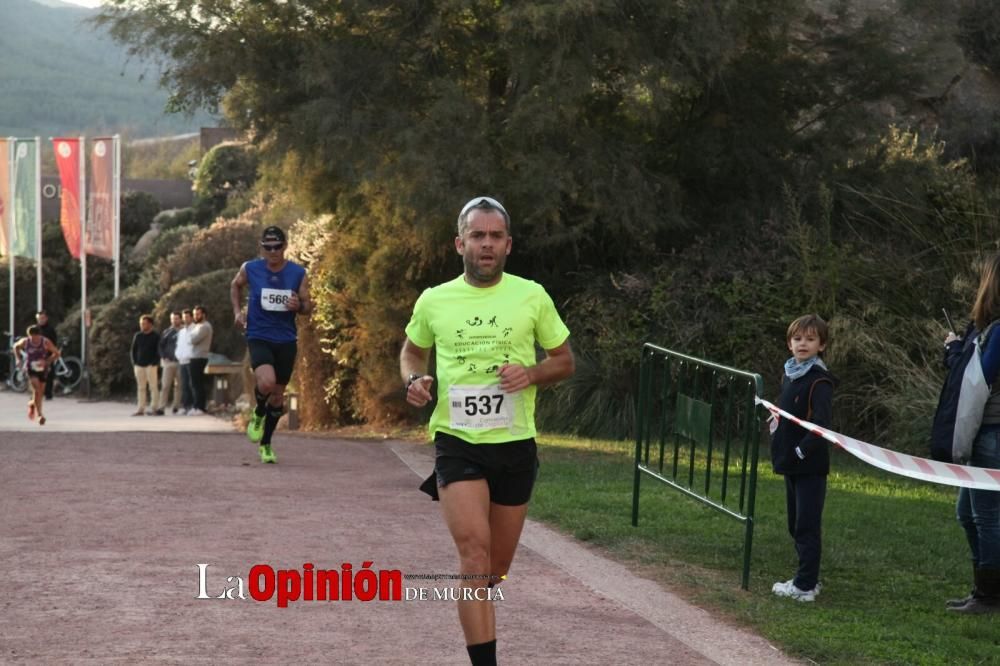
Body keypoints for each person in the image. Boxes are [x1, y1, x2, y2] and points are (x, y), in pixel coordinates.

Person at [399, 196, 574, 666]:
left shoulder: (531, 295)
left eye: (496, 236)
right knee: (474, 558)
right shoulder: (435, 299)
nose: (487, 244)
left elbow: (564, 361)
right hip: (458, 442)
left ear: (509, 245)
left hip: (515, 443)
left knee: (495, 571)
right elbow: (411, 353)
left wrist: (531, 374)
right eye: (478, 235)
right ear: (460, 243)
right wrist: (414, 381)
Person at [942, 253, 1000, 614]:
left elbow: (982, 375)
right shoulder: (990, 329)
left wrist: (954, 354)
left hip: (992, 433)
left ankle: (991, 596)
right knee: (967, 513)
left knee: (987, 516)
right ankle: (983, 589)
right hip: (986, 432)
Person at [231, 225, 312, 464]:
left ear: (285, 246)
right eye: (268, 247)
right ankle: (258, 412)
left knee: (278, 397)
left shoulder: (298, 273)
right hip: (258, 335)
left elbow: (308, 306)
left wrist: (299, 306)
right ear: (262, 248)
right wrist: (237, 312)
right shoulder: (250, 268)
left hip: (286, 339)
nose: (273, 252)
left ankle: (266, 443)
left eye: (277, 247)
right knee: (266, 382)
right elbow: (235, 285)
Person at [769, 314, 835, 603]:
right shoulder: (789, 374)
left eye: (810, 339)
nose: (803, 344)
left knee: (807, 524)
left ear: (821, 345)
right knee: (795, 523)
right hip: (790, 464)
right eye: (798, 339)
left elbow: (821, 424)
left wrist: (801, 450)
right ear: (789, 343)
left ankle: (806, 585)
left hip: (810, 465)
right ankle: (805, 578)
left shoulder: (819, 381)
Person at [13, 324, 59, 426]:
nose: (34, 339)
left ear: (39, 335)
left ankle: (32, 404)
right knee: (37, 389)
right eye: (32, 337)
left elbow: (56, 353)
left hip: (43, 369)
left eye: (36, 337)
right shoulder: (26, 342)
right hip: (30, 368)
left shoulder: (45, 342)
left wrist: (46, 361)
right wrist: (18, 359)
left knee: (40, 393)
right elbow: (15, 347)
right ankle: (40, 415)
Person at [130, 314, 161, 416]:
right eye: (141, 324)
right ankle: (140, 409)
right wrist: (134, 362)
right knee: (141, 387)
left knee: (153, 387)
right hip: (139, 365)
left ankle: (154, 408)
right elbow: (133, 350)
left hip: (151, 365)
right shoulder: (138, 336)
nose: (142, 326)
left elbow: (158, 351)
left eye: (144, 324)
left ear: (150, 324)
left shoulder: (156, 336)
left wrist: (154, 362)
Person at [188, 305, 213, 415]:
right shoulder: (198, 326)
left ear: (203, 314)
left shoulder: (205, 327)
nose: (195, 316)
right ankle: (196, 405)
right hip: (194, 357)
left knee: (197, 383)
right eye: (194, 314)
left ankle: (200, 407)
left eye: (198, 314)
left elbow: (193, 340)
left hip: (199, 357)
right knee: (194, 383)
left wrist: (190, 336)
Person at [157, 311, 183, 415]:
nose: (174, 320)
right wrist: (163, 357)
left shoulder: (184, 331)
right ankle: (161, 407)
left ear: (180, 319)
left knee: (179, 386)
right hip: (169, 362)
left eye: (176, 318)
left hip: (181, 362)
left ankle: (176, 406)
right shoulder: (167, 331)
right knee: (165, 386)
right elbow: (160, 346)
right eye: (172, 318)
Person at [35, 310, 58, 400]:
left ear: (46, 318)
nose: (41, 320)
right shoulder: (35, 329)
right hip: (37, 355)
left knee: (48, 375)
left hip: (47, 355)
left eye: (42, 318)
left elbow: (54, 342)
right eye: (39, 318)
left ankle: (48, 393)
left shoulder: (50, 329)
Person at [176, 309, 195, 415]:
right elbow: (179, 345)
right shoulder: (182, 331)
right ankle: (185, 405)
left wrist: (189, 356)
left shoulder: (195, 329)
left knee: (191, 384)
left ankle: (192, 406)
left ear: (191, 318)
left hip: (191, 360)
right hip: (182, 361)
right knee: (184, 385)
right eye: (184, 317)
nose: (185, 319)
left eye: (187, 317)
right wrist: (178, 355)